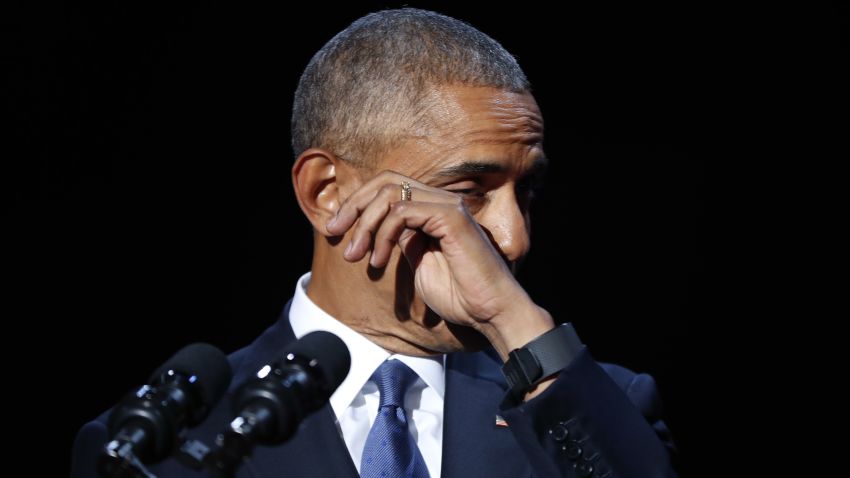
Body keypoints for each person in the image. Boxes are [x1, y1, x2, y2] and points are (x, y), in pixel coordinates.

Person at [71, 8, 677, 478]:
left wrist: (515, 325)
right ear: (326, 192)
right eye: (466, 192)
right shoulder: (169, 441)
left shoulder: (593, 406)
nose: (514, 238)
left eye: (528, 193)